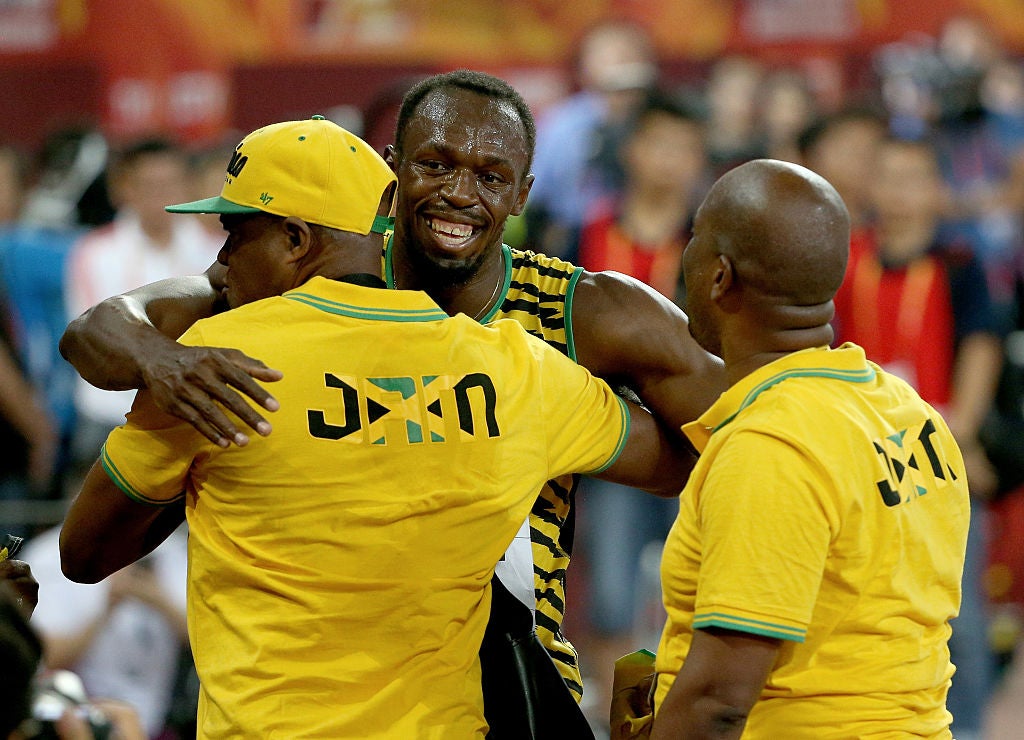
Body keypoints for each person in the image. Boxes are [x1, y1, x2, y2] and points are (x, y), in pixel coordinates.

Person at [58, 70, 726, 730]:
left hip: (518, 684)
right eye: (435, 166)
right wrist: (165, 364)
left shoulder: (584, 314)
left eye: (490, 177)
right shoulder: (265, 309)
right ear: (393, 170)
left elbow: (727, 441)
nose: (459, 194)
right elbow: (99, 329)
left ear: (523, 192)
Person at [632, 159, 969, 738]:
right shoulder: (907, 410)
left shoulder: (772, 447)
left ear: (719, 276)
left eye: (694, 237)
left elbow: (719, 699)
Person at [832, 135, 1004, 738]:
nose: (901, 193)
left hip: (939, 462)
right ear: (870, 187)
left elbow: (981, 346)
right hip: (859, 463)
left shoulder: (961, 263)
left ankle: (974, 729)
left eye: (915, 179)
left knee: (961, 614)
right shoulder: (848, 261)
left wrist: (962, 434)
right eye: (890, 178)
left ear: (937, 190)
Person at [63, 138, 221, 476]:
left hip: (194, 411)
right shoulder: (94, 253)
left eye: (170, 183)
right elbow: (93, 340)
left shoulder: (217, 250)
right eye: (149, 185)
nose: (161, 196)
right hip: (109, 413)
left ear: (189, 185)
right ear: (124, 188)